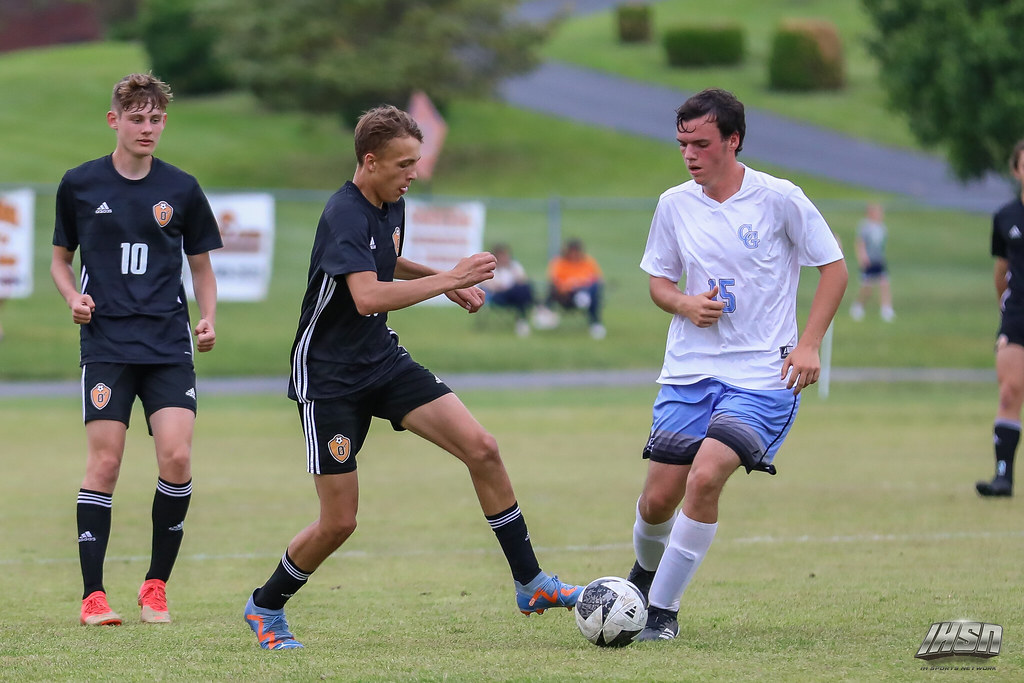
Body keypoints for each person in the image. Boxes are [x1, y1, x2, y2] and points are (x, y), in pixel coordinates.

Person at [242, 105, 582, 650]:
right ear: (370, 161)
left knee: (483, 449)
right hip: (329, 378)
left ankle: (532, 583)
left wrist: (439, 282)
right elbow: (367, 294)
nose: (414, 174)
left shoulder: (389, 203)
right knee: (339, 522)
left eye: (416, 162)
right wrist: (450, 275)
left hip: (382, 361)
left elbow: (388, 261)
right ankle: (265, 606)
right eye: (404, 164)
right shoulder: (343, 213)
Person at [624, 88, 847, 642]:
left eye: (701, 143)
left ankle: (661, 613)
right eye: (682, 145)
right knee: (657, 500)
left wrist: (810, 343)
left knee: (705, 477)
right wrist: (683, 303)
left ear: (733, 140)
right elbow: (657, 280)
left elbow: (835, 268)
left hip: (761, 375)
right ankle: (642, 578)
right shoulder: (674, 203)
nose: (690, 155)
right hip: (690, 371)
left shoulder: (780, 198)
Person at [50, 73, 222, 626]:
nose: (147, 128)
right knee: (105, 462)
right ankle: (94, 597)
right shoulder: (78, 184)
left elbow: (202, 267)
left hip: (168, 344)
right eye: (137, 118)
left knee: (176, 457)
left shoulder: (182, 189)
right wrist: (73, 296)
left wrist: (208, 317)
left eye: (156, 119)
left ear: (163, 123)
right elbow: (59, 260)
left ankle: (155, 587)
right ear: (114, 121)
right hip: (107, 344)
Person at [976, 139, 1024, 498]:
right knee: (1008, 392)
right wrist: (1005, 313)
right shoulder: (1006, 216)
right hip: (1018, 315)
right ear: (1016, 170)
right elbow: (1001, 270)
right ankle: (1003, 477)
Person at [545, 238, 606, 339]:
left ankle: (594, 321)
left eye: (576, 251)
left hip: (588, 290)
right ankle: (583, 298)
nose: (574, 254)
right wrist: (572, 284)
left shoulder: (588, 261)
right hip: (567, 295)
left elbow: (598, 278)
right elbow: (554, 281)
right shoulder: (559, 262)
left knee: (593, 289)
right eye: (571, 252)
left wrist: (581, 283)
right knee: (586, 292)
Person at [480, 243, 540, 337]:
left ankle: (525, 320)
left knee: (522, 289)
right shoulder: (489, 269)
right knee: (521, 290)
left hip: (515, 295)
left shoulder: (514, 266)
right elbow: (486, 284)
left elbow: (523, 279)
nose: (505, 258)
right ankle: (536, 311)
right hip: (499, 296)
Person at [849, 202, 894, 322]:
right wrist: (863, 258)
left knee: (884, 284)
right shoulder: (865, 227)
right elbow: (860, 243)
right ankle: (858, 307)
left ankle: (886, 309)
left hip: (879, 260)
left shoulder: (882, 227)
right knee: (867, 287)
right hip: (869, 261)